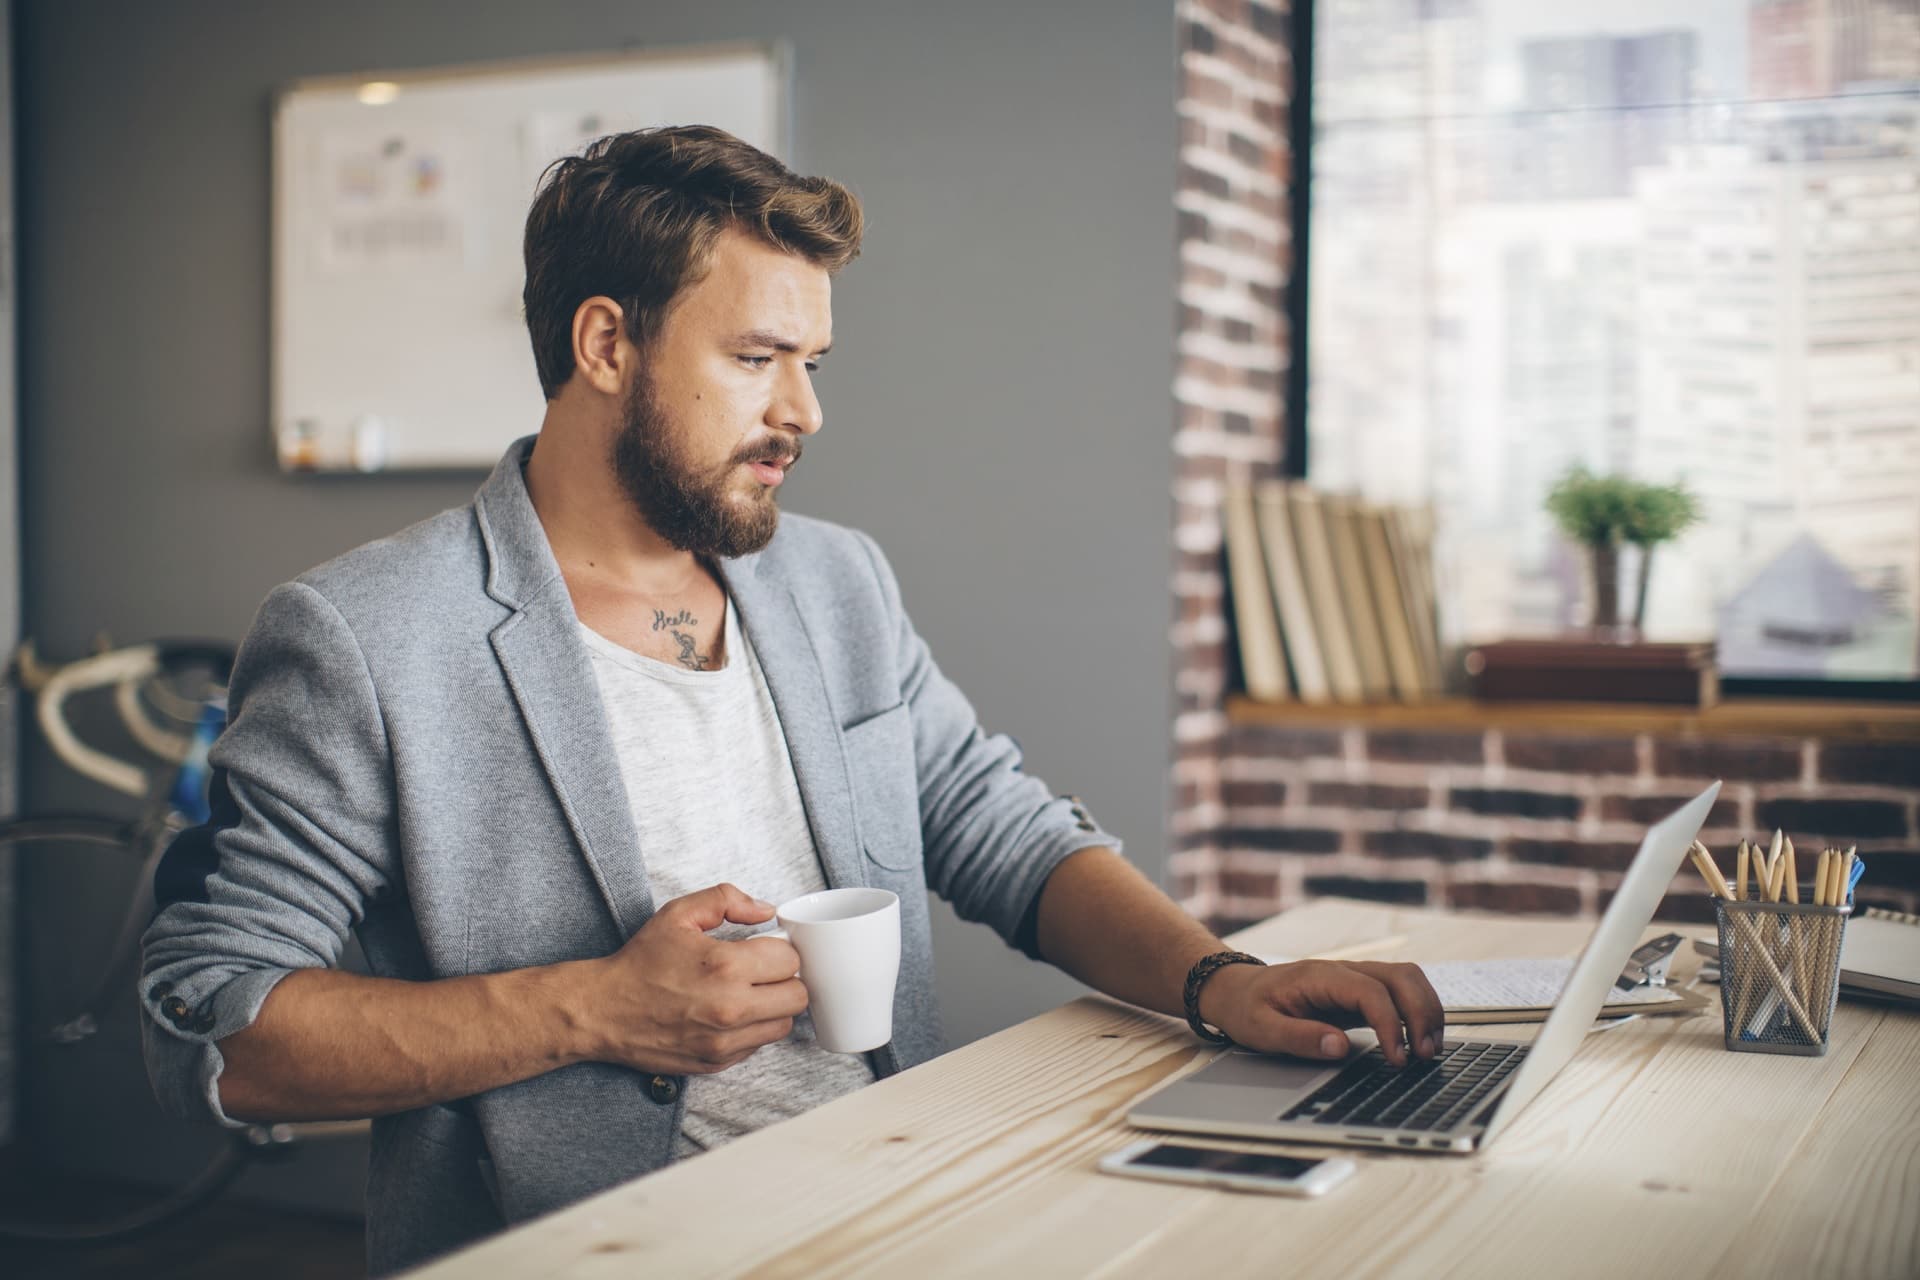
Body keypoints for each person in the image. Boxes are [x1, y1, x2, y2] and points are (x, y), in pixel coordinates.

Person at [140, 125, 1442, 1276]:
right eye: (759, 357)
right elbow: (221, 1026)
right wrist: (595, 1007)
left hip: (901, 1204)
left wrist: (1220, 982)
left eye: (813, 361)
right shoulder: (368, 635)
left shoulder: (834, 581)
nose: (804, 411)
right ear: (606, 342)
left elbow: (1004, 831)